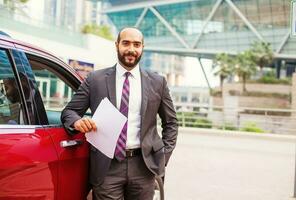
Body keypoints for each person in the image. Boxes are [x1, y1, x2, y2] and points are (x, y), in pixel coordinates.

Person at [61, 27, 178, 200]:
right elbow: (69, 112)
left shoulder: (157, 83)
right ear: (117, 45)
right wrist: (77, 122)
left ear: (142, 48)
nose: (131, 49)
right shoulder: (96, 80)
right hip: (107, 166)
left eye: (136, 44)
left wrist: (162, 157)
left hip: (144, 166)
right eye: (126, 43)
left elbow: (171, 123)